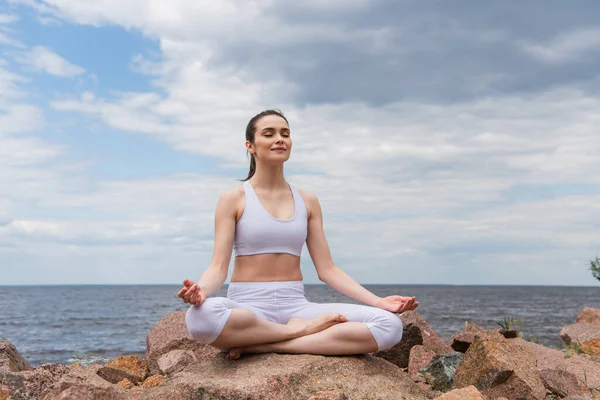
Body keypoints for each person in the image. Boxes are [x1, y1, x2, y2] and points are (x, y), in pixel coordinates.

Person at [178, 109, 418, 359]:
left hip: (297, 306)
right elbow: (218, 267)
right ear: (250, 146)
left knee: (390, 326)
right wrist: (202, 291)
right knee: (200, 317)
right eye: (269, 134)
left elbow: (328, 270)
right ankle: (299, 333)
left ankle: (270, 343)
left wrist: (379, 302)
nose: (279, 139)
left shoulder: (308, 200)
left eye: (285, 134)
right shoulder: (233, 199)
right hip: (248, 306)